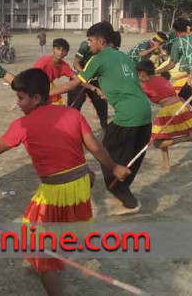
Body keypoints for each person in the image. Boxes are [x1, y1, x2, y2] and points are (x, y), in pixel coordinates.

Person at [0, 68, 131, 296]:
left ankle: (47, 267)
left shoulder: (22, 125)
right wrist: (114, 167)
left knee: (34, 242)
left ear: (36, 98)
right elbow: (95, 147)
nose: (17, 103)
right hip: (80, 185)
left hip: (56, 191)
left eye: (20, 98)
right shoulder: (72, 114)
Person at [50, 22, 152, 215]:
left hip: (128, 116)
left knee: (105, 154)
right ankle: (125, 192)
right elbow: (125, 82)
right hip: (145, 113)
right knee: (130, 158)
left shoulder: (98, 58)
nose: (88, 44)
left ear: (101, 41)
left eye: (90, 40)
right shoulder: (124, 56)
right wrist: (107, 91)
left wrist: (48, 94)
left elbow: (74, 84)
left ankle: (128, 201)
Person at [136, 60, 192, 171]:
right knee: (162, 136)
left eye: (138, 74)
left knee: (157, 143)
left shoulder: (145, 86)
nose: (138, 76)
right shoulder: (161, 78)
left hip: (170, 110)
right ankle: (166, 162)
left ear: (143, 73)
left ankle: (188, 138)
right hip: (179, 105)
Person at [67, 40, 108, 130]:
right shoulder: (85, 46)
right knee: (75, 107)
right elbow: (76, 63)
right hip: (79, 77)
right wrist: (85, 74)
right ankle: (70, 130)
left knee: (102, 105)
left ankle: (105, 129)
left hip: (93, 79)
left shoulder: (107, 49)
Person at [32, 38, 76, 106]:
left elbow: (77, 78)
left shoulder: (64, 66)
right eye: (58, 49)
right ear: (53, 50)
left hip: (49, 89)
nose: (60, 52)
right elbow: (32, 76)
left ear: (66, 53)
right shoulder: (43, 61)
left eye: (63, 50)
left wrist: (91, 87)